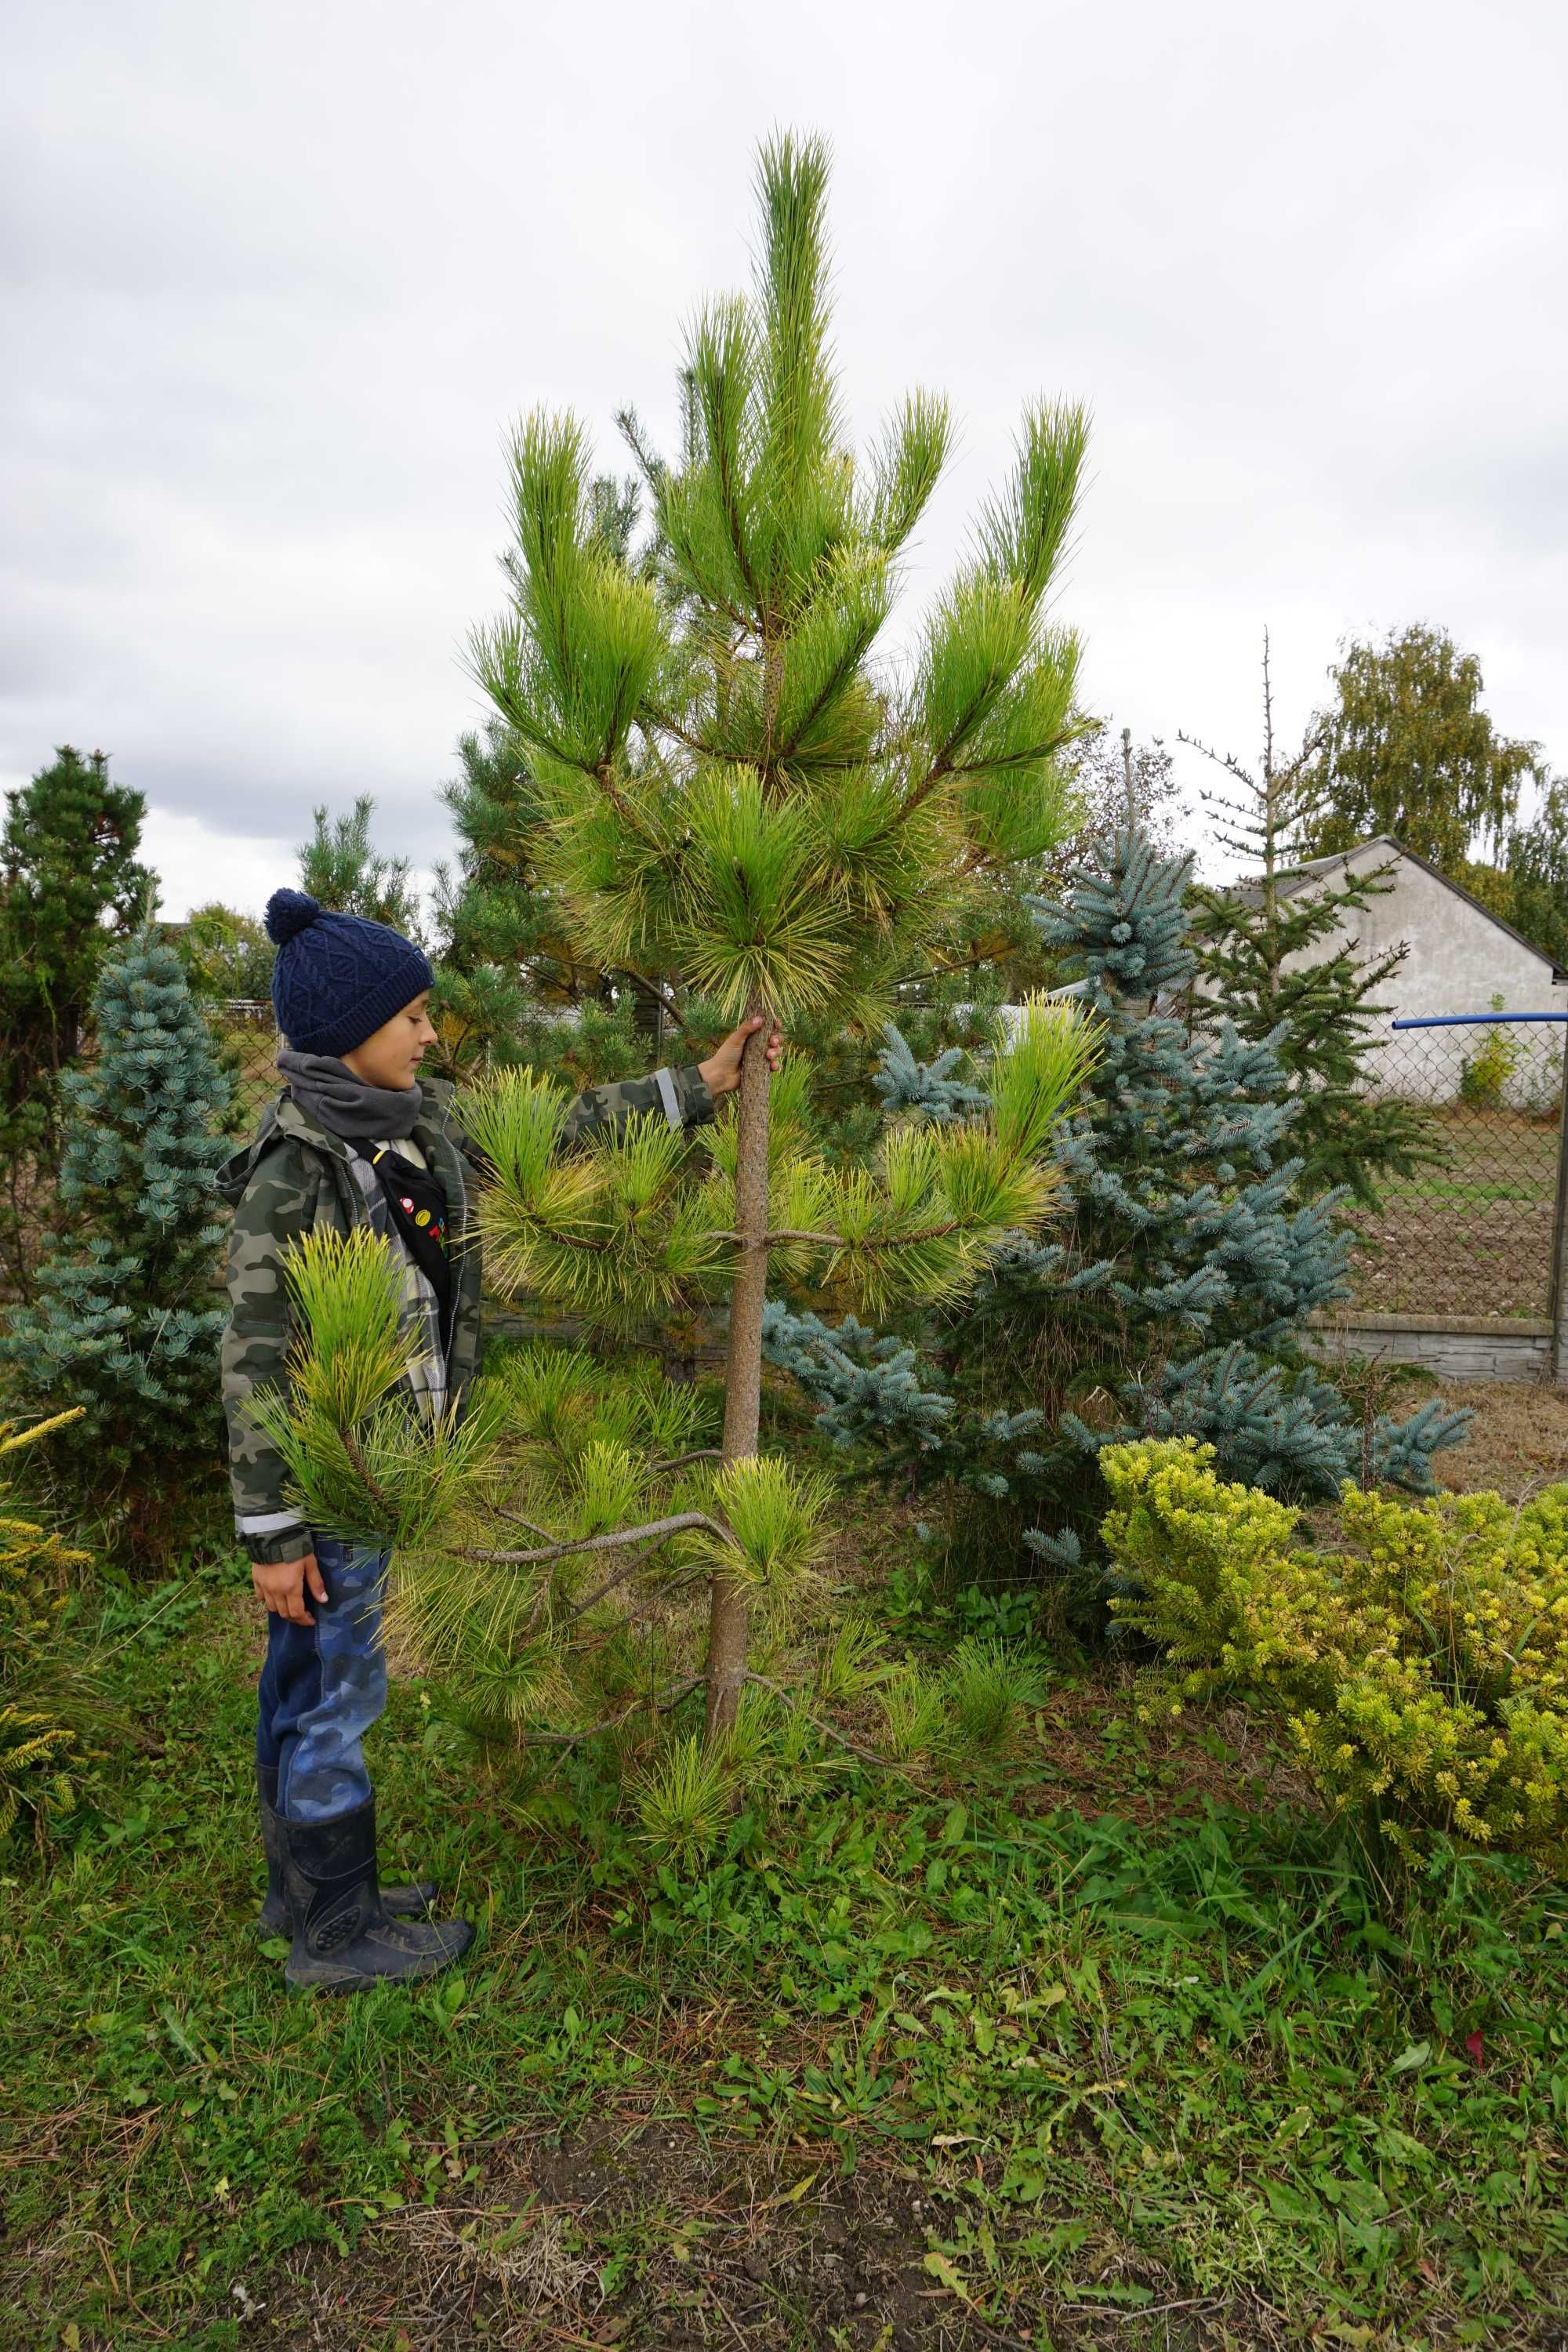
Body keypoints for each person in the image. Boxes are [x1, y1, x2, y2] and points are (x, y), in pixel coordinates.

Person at [217, 886, 782, 1994]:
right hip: (344, 1484)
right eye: (413, 1016)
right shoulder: (293, 1174)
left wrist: (697, 1088)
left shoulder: (416, 1127)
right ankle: (336, 1936)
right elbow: (253, 1365)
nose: (432, 1033)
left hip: (387, 1476)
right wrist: (273, 1530)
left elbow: (559, 1128)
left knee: (305, 1683)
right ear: (345, 1033)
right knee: (335, 1692)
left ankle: (311, 1892)